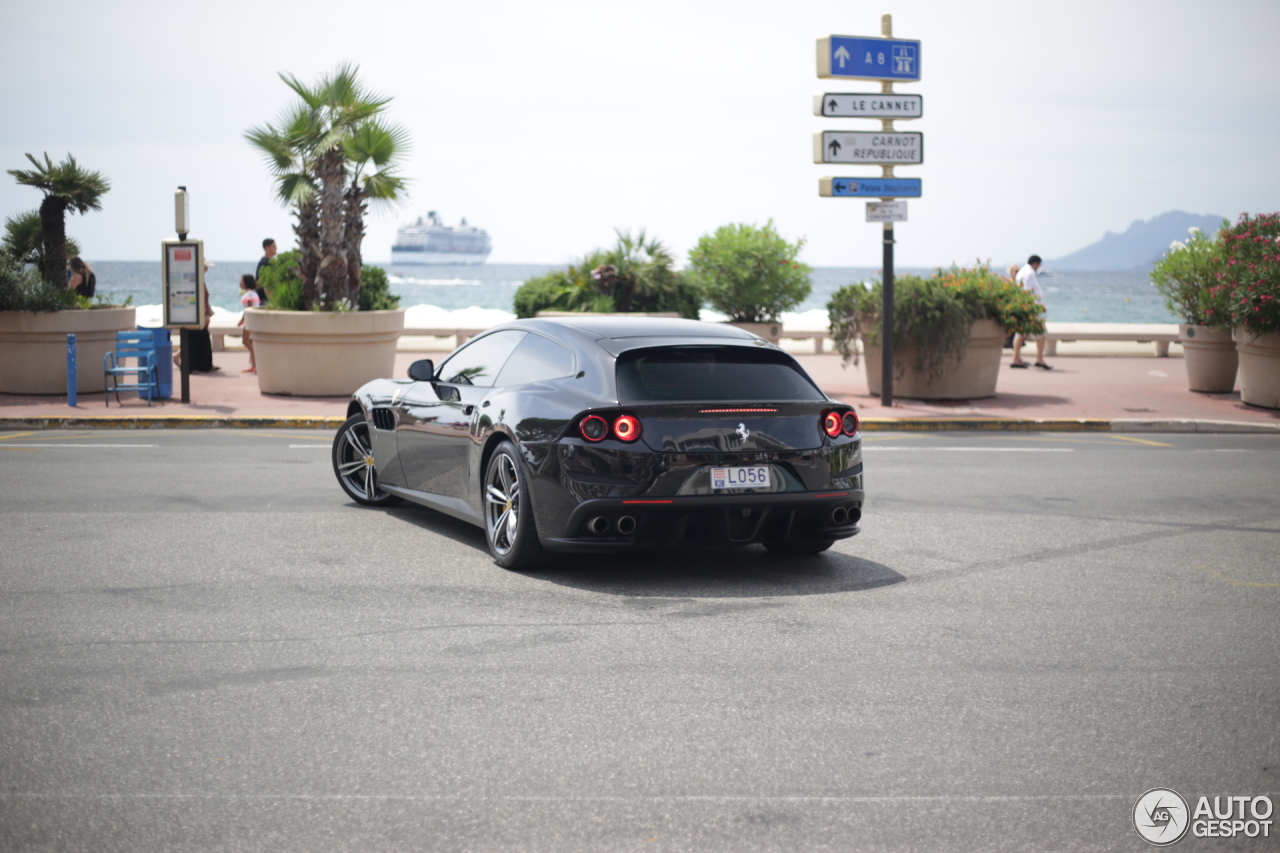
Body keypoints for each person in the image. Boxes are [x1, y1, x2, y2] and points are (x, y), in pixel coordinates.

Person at [1011, 254, 1050, 369]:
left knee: (1020, 333)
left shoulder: (1023, 271)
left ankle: (1016, 359)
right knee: (1041, 332)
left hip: (1024, 307)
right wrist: (1038, 305)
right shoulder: (1029, 273)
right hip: (1030, 308)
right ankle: (1039, 359)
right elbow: (1027, 291)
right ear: (1036, 263)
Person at [237, 273, 260, 373]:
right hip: (253, 320)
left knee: (246, 341)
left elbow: (249, 308)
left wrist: (243, 320)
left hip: (250, 321)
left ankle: (256, 364)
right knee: (250, 342)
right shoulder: (254, 293)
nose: (240, 283)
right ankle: (253, 365)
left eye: (242, 281)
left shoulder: (249, 294)